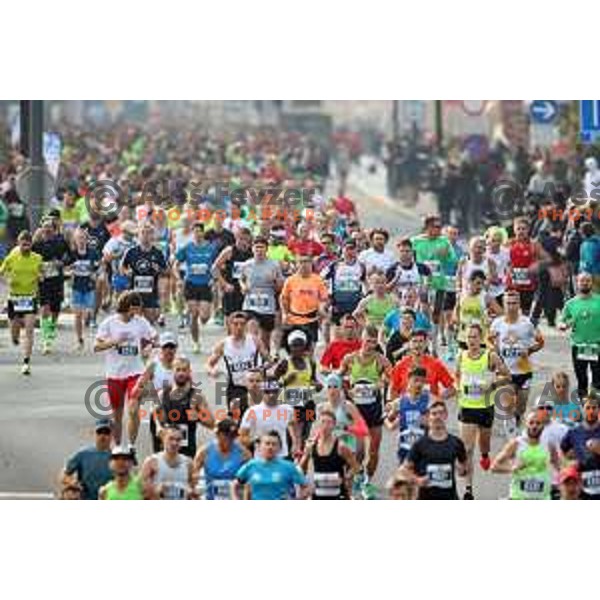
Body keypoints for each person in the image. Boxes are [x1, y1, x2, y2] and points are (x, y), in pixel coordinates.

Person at [94, 291, 157, 447]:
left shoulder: (140, 322)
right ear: (128, 307)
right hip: (114, 374)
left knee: (134, 409)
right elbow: (96, 346)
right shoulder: (109, 323)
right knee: (117, 416)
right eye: (136, 308)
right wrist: (115, 341)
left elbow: (154, 338)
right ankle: (118, 446)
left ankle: (131, 446)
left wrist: (149, 347)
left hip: (135, 373)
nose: (138, 312)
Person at [456, 323, 511, 499]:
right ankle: (468, 490)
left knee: (483, 445)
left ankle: (486, 454)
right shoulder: (461, 356)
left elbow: (507, 376)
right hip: (467, 407)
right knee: (467, 449)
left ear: (481, 338)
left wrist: (493, 384)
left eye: (475, 337)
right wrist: (458, 387)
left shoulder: (490, 356)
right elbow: (457, 376)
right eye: (469, 337)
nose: (472, 340)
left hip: (486, 407)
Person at [340, 324, 392, 495]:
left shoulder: (381, 360)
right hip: (356, 412)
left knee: (374, 450)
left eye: (373, 342)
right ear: (361, 339)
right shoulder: (350, 359)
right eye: (367, 341)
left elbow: (391, 379)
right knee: (359, 450)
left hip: (374, 410)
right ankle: (358, 476)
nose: (370, 345)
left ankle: (367, 480)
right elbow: (338, 378)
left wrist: (382, 383)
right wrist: (347, 390)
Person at [489, 289, 544, 426]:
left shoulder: (527, 324)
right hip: (505, 373)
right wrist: (494, 352)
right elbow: (488, 341)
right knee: (508, 408)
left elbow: (541, 342)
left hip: (524, 371)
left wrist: (530, 350)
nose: (511, 307)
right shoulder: (497, 324)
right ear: (503, 304)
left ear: (519, 304)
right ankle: (511, 434)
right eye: (508, 303)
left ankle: (516, 420)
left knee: (520, 409)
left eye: (514, 303)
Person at [400, 401, 468, 500]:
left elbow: (463, 468)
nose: (437, 417)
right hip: (425, 497)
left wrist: (462, 470)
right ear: (428, 417)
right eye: (434, 413)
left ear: (446, 415)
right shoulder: (420, 444)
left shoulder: (456, 443)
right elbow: (403, 470)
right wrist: (417, 480)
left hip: (450, 497)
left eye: (441, 413)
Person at [207, 311, 268, 417]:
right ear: (229, 325)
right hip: (235, 387)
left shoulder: (254, 340)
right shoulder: (223, 344)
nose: (239, 327)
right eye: (235, 324)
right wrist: (212, 371)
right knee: (236, 417)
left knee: (256, 415)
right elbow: (209, 364)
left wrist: (266, 368)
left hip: (254, 386)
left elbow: (268, 358)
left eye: (242, 324)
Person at [491, 410, 559, 500]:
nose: (534, 426)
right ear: (526, 424)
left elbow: (558, 465)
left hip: (543, 497)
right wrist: (512, 468)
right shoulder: (516, 444)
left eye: (538, 423)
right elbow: (494, 467)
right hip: (519, 496)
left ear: (543, 426)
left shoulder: (549, 445)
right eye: (531, 423)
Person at [0, 230, 42, 374]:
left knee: (29, 331)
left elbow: (41, 272)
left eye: (28, 245)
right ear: (19, 244)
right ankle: (15, 338)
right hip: (15, 297)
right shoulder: (12, 257)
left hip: (30, 297)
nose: (26, 248)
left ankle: (26, 362)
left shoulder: (37, 258)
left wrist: (41, 276)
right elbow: (2, 272)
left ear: (31, 245)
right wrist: (7, 280)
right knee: (14, 334)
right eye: (23, 245)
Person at [155, 357, 214, 458]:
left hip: (187, 450)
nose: (181, 373)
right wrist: (158, 427)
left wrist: (199, 417)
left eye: (184, 370)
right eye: (178, 370)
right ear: (172, 371)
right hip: (166, 448)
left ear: (189, 372)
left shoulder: (196, 396)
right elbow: (156, 415)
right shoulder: (162, 394)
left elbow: (211, 423)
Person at [272, 330, 322, 449]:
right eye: (294, 345)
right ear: (289, 347)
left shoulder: (310, 362)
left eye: (300, 345)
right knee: (291, 437)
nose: (298, 349)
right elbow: (271, 385)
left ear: (305, 346)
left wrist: (317, 385)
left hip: (307, 403)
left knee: (305, 433)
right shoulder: (284, 363)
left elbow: (312, 380)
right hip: (289, 404)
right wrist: (286, 381)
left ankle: (301, 461)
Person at [130, 331, 178, 452]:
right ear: (160, 348)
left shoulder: (180, 365)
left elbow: (190, 386)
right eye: (165, 347)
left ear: (176, 348)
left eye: (171, 347)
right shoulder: (154, 365)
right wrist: (138, 398)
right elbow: (138, 387)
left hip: (178, 410)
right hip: (159, 412)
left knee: (179, 447)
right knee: (159, 450)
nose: (169, 350)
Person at [174, 222, 218, 353]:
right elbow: (175, 264)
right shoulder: (187, 247)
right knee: (194, 315)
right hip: (191, 283)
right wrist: (178, 279)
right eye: (195, 232)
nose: (197, 234)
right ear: (192, 233)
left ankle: (194, 314)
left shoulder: (211, 248)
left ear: (203, 233)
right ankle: (196, 342)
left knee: (204, 318)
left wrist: (215, 280)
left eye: (199, 231)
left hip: (205, 284)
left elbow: (217, 265)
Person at [299, 407, 360, 500]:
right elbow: (302, 468)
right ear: (318, 424)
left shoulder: (341, 447)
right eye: (323, 422)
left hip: (337, 493)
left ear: (334, 425)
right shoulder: (311, 446)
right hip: (318, 493)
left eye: (329, 422)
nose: (325, 426)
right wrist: (305, 484)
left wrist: (346, 478)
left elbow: (355, 467)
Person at [32, 216, 72, 354]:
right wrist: (37, 270)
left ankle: (52, 327)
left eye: (50, 226)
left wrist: (62, 263)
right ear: (41, 229)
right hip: (43, 280)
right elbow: (29, 259)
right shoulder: (36, 244)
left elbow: (71, 256)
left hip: (57, 279)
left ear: (53, 229)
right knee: (44, 307)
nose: (47, 229)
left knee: (55, 308)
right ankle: (46, 339)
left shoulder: (60, 242)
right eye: (45, 226)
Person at [233, 431, 310, 500]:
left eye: (274, 444)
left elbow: (307, 487)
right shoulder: (251, 465)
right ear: (259, 447)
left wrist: (297, 499)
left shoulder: (289, 466)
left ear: (280, 448)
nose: (270, 447)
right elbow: (234, 484)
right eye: (267, 443)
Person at [559, 272, 600, 399]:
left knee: (598, 379)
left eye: (587, 280)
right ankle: (583, 404)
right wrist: (563, 325)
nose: (585, 283)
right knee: (581, 377)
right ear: (577, 283)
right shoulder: (570, 304)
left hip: (597, 345)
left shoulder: (599, 300)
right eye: (582, 281)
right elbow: (562, 320)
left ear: (591, 283)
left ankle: (595, 407)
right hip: (578, 345)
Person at [240, 236, 284, 351]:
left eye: (262, 248)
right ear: (252, 249)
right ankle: (253, 361)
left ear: (266, 249)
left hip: (268, 306)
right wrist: (243, 287)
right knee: (252, 334)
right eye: (257, 247)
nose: (259, 250)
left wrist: (274, 281)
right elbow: (240, 279)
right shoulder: (246, 265)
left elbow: (280, 287)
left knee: (265, 340)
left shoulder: (274, 265)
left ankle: (265, 364)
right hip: (250, 305)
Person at [120, 221, 168, 324]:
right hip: (134, 291)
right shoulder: (131, 251)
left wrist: (158, 269)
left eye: (148, 233)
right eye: (143, 233)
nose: (146, 236)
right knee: (133, 319)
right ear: (138, 234)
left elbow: (166, 270)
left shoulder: (157, 253)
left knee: (150, 319)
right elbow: (122, 267)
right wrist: (126, 272)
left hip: (151, 291)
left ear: (152, 235)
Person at [238, 381, 300, 458]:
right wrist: (253, 442)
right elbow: (242, 436)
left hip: (282, 455)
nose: (271, 395)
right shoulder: (252, 411)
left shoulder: (288, 409)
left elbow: (294, 427)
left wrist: (296, 445)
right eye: (267, 392)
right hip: (261, 457)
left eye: (274, 392)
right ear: (261, 392)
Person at [280, 253, 329, 350]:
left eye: (306, 261)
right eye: (301, 262)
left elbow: (324, 299)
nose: (304, 264)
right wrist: (284, 314)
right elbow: (284, 298)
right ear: (297, 264)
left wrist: (322, 308)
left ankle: (311, 363)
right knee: (295, 349)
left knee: (310, 350)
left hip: (312, 319)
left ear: (311, 263)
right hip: (294, 319)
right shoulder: (290, 280)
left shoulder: (318, 280)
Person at [390, 329, 456, 400]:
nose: (418, 345)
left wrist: (438, 399)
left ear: (426, 344)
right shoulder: (400, 365)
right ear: (409, 344)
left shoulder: (436, 364)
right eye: (414, 341)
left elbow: (452, 389)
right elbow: (393, 391)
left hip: (428, 409)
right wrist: (396, 406)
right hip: (407, 409)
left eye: (421, 341)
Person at [193, 418, 250, 500]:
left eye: (233, 436)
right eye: (226, 435)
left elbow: (249, 481)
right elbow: (194, 477)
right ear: (217, 434)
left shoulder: (243, 453)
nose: (230, 439)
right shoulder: (204, 452)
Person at [384, 367, 430, 465]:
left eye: (422, 381)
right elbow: (390, 425)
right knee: (405, 479)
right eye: (416, 380)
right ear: (408, 380)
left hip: (424, 450)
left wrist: (428, 421)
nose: (419, 384)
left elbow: (438, 421)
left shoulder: (429, 400)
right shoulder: (399, 402)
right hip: (405, 449)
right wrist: (386, 417)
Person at [321, 238, 366, 330]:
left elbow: (365, 283)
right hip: (339, 304)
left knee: (355, 330)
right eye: (347, 248)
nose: (350, 251)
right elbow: (320, 279)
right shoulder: (335, 265)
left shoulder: (361, 266)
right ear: (342, 250)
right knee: (336, 329)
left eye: (352, 248)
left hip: (355, 303)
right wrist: (328, 295)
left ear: (356, 250)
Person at [560, 396, 600, 499]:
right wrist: (568, 463)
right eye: (588, 408)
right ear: (582, 410)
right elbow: (561, 451)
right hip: (582, 486)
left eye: (594, 408)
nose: (591, 411)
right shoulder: (574, 432)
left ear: (598, 410)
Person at [62, 419, 113, 500]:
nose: (102, 436)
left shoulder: (118, 457)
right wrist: (72, 482)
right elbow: (64, 475)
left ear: (112, 435)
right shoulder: (82, 454)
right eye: (99, 432)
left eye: (106, 433)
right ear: (94, 434)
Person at [141, 426, 194, 499]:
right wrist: (156, 490)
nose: (174, 443)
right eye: (171, 438)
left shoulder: (188, 463)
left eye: (178, 440)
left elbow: (193, 491)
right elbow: (142, 493)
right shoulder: (151, 462)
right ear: (163, 439)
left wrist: (190, 492)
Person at [70, 227, 101, 351]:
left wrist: (96, 274)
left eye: (83, 238)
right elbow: (65, 268)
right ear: (75, 240)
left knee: (88, 313)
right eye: (79, 238)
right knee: (78, 315)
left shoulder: (93, 253)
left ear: (87, 239)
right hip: (76, 287)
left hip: (89, 287)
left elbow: (100, 267)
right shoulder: (72, 254)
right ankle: (79, 339)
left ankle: (89, 322)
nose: (81, 240)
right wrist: (70, 270)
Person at [212, 227, 253, 318]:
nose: (243, 242)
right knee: (230, 319)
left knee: (246, 319)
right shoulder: (229, 251)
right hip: (231, 289)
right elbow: (214, 268)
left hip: (247, 290)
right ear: (236, 238)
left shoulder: (253, 252)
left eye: (246, 240)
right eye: (241, 239)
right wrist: (224, 284)